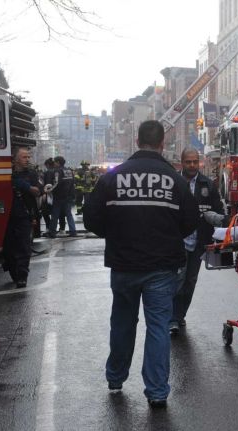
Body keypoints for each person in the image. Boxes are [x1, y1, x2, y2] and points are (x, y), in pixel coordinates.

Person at [83, 120, 199, 408]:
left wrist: (118, 234)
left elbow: (91, 220)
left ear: (137, 141)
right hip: (161, 267)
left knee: (122, 321)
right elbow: (190, 222)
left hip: (123, 264)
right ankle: (157, 391)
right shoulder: (176, 180)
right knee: (159, 326)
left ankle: (115, 377)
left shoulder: (113, 178)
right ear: (162, 144)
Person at [169, 148, 225, 335]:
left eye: (195, 162)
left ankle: (180, 315)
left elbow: (219, 212)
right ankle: (173, 319)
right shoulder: (173, 182)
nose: (192, 165)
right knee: (178, 280)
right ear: (182, 162)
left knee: (190, 282)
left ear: (199, 162)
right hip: (178, 242)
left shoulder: (208, 185)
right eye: (188, 162)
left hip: (199, 242)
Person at [3, 148, 41, 288]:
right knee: (8, 248)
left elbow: (38, 191)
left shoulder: (32, 174)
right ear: (16, 159)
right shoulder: (8, 173)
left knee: (24, 247)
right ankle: (14, 272)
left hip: (25, 216)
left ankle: (22, 276)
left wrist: (28, 187)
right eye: (24, 157)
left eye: (28, 157)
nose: (27, 159)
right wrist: (26, 186)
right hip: (8, 217)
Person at [46, 156, 77, 237]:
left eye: (55, 162)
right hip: (69, 196)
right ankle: (73, 231)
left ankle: (52, 232)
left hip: (59, 196)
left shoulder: (57, 171)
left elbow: (56, 183)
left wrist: (50, 190)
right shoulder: (69, 170)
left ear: (58, 162)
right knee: (69, 214)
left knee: (55, 214)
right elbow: (73, 183)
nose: (54, 164)